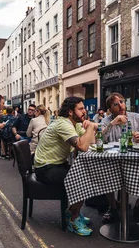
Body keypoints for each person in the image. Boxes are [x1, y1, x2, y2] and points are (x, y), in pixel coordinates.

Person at [33, 97, 97, 236]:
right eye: (80, 109)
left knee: (86, 174)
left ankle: (72, 212)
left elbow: (91, 142)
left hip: (56, 165)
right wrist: (91, 126)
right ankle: (72, 220)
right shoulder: (63, 124)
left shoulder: (74, 124)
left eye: (83, 108)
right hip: (45, 168)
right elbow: (82, 146)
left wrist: (90, 128)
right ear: (70, 112)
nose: (84, 111)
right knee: (83, 178)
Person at [100, 92, 139, 223]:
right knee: (104, 173)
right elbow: (99, 139)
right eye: (115, 104)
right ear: (109, 109)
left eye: (122, 102)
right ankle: (113, 207)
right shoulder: (106, 121)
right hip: (114, 161)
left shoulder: (137, 118)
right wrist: (112, 123)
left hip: (136, 160)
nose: (120, 106)